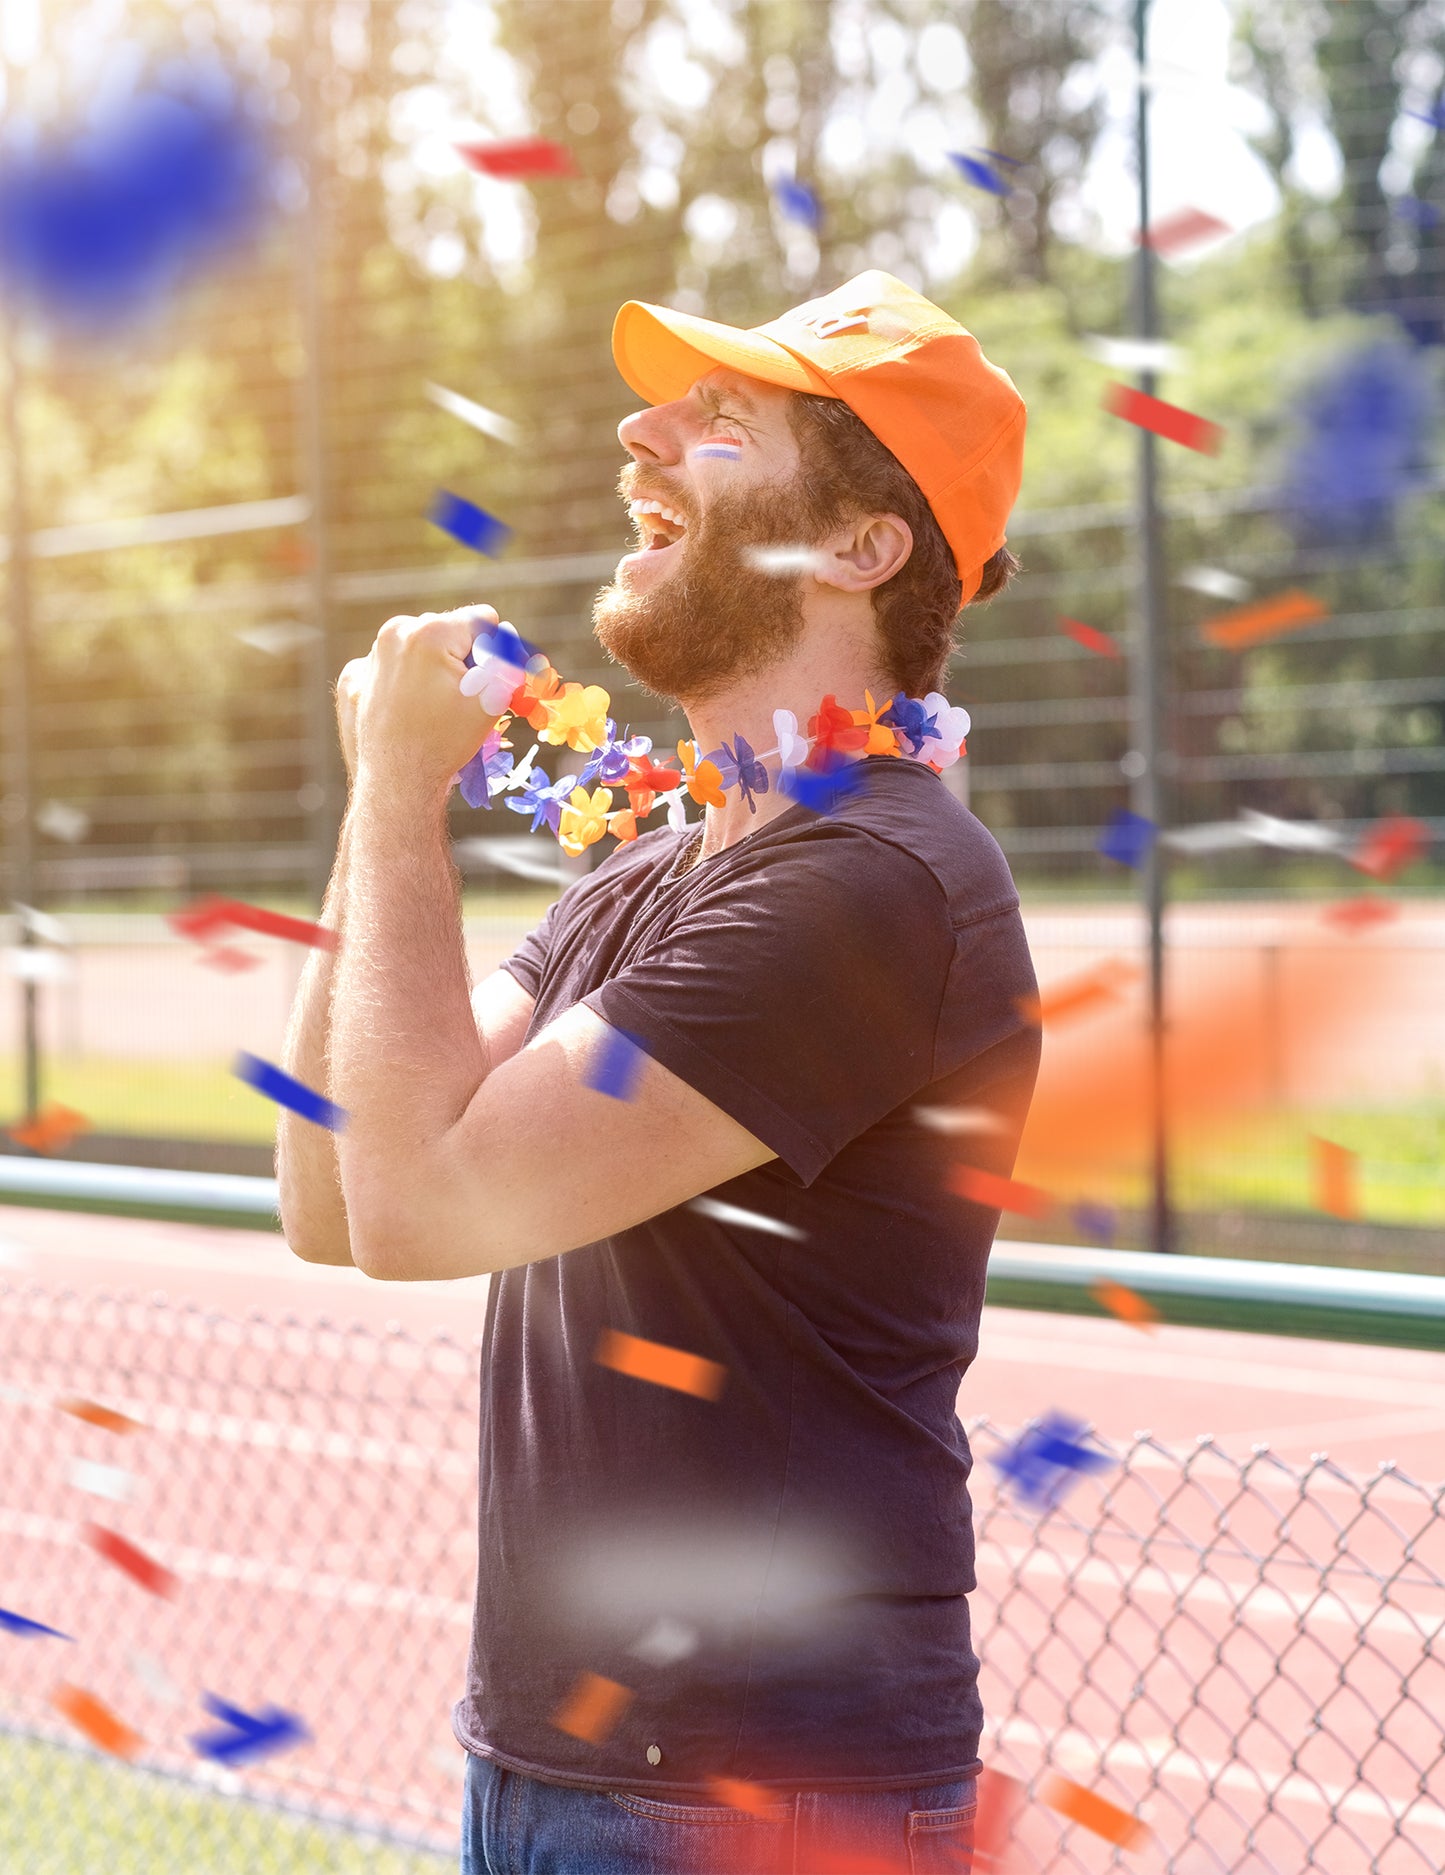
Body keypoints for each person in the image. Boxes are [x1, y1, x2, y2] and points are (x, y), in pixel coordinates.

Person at [278, 269, 1040, 1875]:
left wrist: (403, 798)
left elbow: (417, 1210)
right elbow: (334, 1193)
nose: (640, 436)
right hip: (571, 1764)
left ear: (859, 548)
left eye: (719, 428)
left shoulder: (872, 885)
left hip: (760, 1797)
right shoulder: (657, 875)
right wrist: (376, 805)